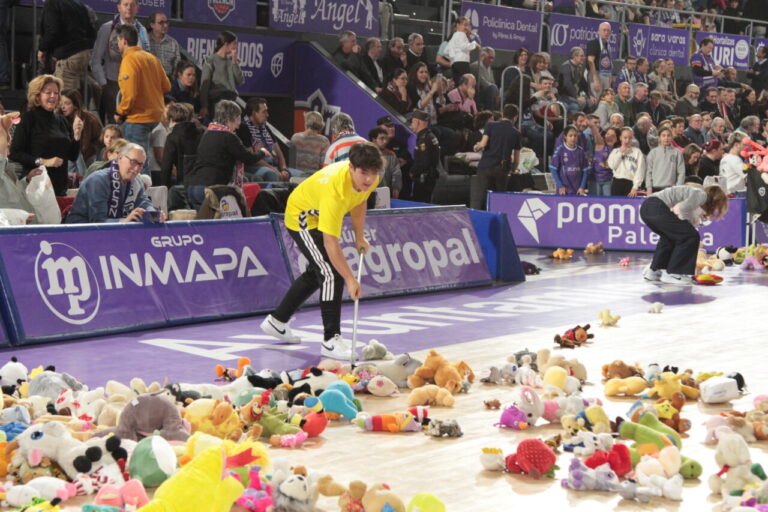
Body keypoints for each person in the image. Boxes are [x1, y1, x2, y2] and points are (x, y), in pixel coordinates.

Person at [259, 142, 383, 359]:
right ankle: (330, 340)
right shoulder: (334, 189)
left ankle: (277, 321)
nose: (369, 180)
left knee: (318, 271)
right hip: (302, 216)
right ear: (351, 168)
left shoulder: (369, 179)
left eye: (373, 174)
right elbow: (330, 243)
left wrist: (359, 237)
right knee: (332, 274)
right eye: (364, 173)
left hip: (318, 210)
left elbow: (360, 201)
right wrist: (351, 278)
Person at [184, 100, 269, 210]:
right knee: (216, 225)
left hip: (193, 188)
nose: (239, 125)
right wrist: (262, 152)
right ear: (230, 118)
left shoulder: (208, 133)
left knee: (202, 224)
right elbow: (247, 158)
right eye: (238, 119)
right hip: (210, 189)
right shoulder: (228, 136)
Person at [10, 74, 82, 196]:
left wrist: (77, 135)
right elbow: (15, 152)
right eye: (48, 92)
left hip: (59, 186)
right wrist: (43, 161)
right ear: (37, 96)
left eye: (56, 92)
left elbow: (72, 156)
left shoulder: (62, 120)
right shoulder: (27, 119)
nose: (53, 96)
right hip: (36, 186)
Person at [641, 184, 728, 284]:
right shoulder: (701, 195)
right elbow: (681, 208)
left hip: (647, 207)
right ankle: (675, 273)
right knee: (691, 236)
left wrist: (688, 225)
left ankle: (654, 271)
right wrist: (688, 227)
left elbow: (681, 211)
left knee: (669, 238)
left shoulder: (695, 194)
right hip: (656, 206)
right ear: (715, 200)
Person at [113, 24, 171, 174]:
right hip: (156, 117)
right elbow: (167, 86)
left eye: (118, 40)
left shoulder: (129, 60)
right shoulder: (151, 58)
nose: (118, 44)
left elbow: (130, 94)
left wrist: (120, 112)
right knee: (145, 162)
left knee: (136, 165)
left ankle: (141, 196)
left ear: (123, 41)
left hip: (138, 119)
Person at [66, 143, 158, 223]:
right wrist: (124, 221)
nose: (137, 168)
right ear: (120, 158)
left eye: (140, 164)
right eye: (133, 162)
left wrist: (155, 216)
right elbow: (97, 221)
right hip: (80, 232)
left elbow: (144, 203)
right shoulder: (98, 181)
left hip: (115, 231)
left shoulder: (137, 182)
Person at [91, 0, 150, 124]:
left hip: (136, 83)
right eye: (125, 4)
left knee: (133, 122)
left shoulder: (142, 30)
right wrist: (103, 83)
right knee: (114, 123)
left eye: (133, 5)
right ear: (119, 7)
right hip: (113, 82)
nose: (129, 8)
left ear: (137, 8)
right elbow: (95, 59)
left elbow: (147, 57)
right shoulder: (108, 28)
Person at [38, 0, 96, 95]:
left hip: (69, 56)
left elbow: (53, 31)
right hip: (84, 54)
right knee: (77, 95)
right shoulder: (79, 4)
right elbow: (91, 32)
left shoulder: (53, 3)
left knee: (65, 99)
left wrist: (42, 48)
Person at [236, 97, 295, 182]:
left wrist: (284, 169)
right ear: (254, 113)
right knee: (271, 174)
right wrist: (274, 169)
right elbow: (251, 157)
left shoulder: (266, 128)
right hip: (255, 165)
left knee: (303, 175)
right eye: (264, 112)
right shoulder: (243, 128)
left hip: (274, 166)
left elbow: (279, 153)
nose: (267, 115)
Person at [473, 104, 521, 202]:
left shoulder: (490, 125)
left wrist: (476, 147)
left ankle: (479, 215)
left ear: (503, 114)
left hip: (486, 165)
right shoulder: (516, 133)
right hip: (502, 168)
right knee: (499, 198)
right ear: (515, 117)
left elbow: (482, 144)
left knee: (480, 197)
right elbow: (516, 159)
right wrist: (513, 170)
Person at [200, 31, 244, 120]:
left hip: (231, 101)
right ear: (226, 44)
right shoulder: (210, 61)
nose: (236, 47)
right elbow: (204, 86)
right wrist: (204, 106)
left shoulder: (232, 61)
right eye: (234, 44)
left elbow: (240, 80)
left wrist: (234, 62)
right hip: (217, 103)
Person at [159, 103, 204, 187]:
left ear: (171, 119)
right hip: (204, 180)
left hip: (184, 184)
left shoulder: (172, 138)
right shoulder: (202, 132)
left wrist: (164, 188)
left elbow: (166, 166)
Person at [60, 89, 102, 169]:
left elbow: (99, 139)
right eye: (61, 103)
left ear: (76, 105)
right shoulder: (57, 117)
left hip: (86, 158)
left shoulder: (89, 119)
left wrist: (89, 150)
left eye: (67, 103)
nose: (63, 107)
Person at [409, 110, 440, 202]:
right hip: (429, 177)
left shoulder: (424, 139)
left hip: (424, 179)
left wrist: (413, 171)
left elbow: (424, 161)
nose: (411, 124)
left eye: (412, 121)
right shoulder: (431, 136)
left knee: (420, 203)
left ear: (418, 122)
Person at [607, 127, 646, 196]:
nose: (627, 140)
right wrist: (621, 152)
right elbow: (612, 166)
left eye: (630, 138)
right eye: (625, 138)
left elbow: (640, 170)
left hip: (630, 183)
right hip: (617, 182)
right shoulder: (615, 151)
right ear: (620, 138)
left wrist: (635, 187)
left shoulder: (637, 152)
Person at [646, 127, 685, 192]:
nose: (666, 138)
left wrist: (678, 188)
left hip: (671, 189)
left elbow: (681, 172)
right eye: (663, 135)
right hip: (655, 188)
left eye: (668, 135)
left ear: (672, 137)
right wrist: (649, 188)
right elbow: (649, 172)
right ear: (659, 138)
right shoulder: (653, 153)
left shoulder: (677, 152)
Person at [290, 111, 330, 176]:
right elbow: (323, 165)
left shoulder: (295, 137)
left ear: (306, 122)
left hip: (295, 177)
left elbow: (291, 164)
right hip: (313, 179)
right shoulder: (324, 141)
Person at [558, 47, 594, 113]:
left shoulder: (579, 67)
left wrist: (590, 95)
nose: (584, 57)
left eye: (584, 55)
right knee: (581, 103)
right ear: (574, 57)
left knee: (591, 102)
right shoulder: (566, 67)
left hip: (574, 95)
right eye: (582, 56)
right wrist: (576, 97)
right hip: (564, 96)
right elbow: (568, 84)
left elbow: (584, 83)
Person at [369, 126, 402, 197]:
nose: (385, 141)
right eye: (382, 138)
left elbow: (396, 173)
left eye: (386, 139)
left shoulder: (391, 155)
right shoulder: (365, 154)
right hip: (368, 192)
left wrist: (396, 188)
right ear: (374, 139)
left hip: (385, 193)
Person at [147, 11, 180, 78]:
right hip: (149, 80)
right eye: (161, 23)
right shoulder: (145, 41)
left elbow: (177, 65)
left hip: (167, 81)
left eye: (166, 22)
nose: (165, 25)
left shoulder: (173, 43)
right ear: (152, 25)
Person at [591, 127, 620, 196]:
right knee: (594, 202)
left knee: (607, 203)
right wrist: (592, 126)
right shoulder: (599, 145)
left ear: (617, 139)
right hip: (594, 180)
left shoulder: (618, 151)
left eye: (612, 136)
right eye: (608, 134)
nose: (609, 137)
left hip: (608, 181)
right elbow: (596, 134)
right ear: (604, 135)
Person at [586, 22, 613, 95]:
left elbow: (609, 63)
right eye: (604, 30)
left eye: (608, 31)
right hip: (596, 73)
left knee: (605, 99)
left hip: (606, 75)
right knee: (596, 98)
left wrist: (609, 80)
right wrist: (595, 79)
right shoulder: (593, 43)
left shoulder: (608, 46)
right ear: (599, 31)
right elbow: (590, 61)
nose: (606, 32)